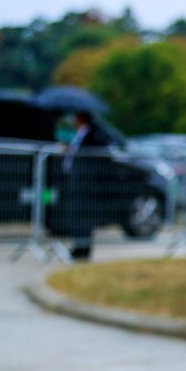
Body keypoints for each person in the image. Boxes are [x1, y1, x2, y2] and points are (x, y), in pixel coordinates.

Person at [54, 111, 104, 261]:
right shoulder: (79, 134)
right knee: (76, 215)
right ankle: (78, 247)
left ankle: (83, 248)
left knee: (84, 216)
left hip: (85, 183)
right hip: (76, 181)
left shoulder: (93, 134)